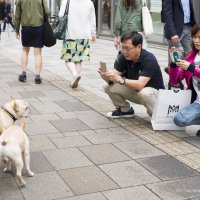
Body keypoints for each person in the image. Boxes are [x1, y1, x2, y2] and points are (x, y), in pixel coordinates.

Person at [98, 31, 165, 118]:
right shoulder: (123, 57)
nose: (125, 51)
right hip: (137, 93)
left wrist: (120, 79)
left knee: (145, 93)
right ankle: (125, 110)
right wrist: (106, 77)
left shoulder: (149, 59)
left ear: (139, 47)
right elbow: (114, 77)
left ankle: (159, 117)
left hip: (154, 96)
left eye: (128, 48)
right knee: (107, 86)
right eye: (123, 47)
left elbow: (140, 85)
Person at [59, 0, 96, 89]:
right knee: (78, 59)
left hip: (70, 34)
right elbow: (92, 19)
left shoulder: (67, 1)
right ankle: (75, 80)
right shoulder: (89, 2)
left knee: (68, 58)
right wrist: (93, 33)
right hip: (84, 35)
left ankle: (75, 74)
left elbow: (61, 15)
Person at [169, 24, 200, 127]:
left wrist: (191, 68)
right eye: (195, 37)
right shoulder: (191, 57)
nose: (196, 41)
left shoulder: (190, 64)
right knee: (179, 120)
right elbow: (175, 81)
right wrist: (173, 64)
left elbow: (192, 69)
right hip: (197, 101)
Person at [14, 0, 49, 84]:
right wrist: (44, 19)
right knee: (37, 53)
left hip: (26, 27)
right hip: (38, 26)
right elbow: (47, 11)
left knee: (25, 50)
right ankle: (37, 77)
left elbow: (17, 15)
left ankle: (23, 73)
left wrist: (16, 29)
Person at [163, 0, 196, 71]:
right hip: (175, 30)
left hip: (188, 27)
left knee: (190, 53)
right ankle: (172, 79)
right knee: (175, 56)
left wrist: (193, 26)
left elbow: (190, 9)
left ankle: (183, 75)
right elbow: (167, 13)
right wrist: (172, 33)